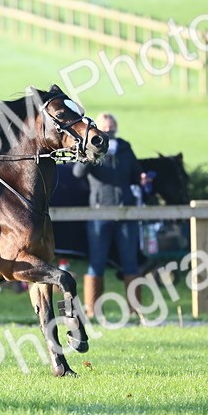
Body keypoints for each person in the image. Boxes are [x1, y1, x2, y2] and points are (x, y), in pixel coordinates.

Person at [73, 112, 143, 317]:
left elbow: (135, 174)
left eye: (112, 127)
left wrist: (142, 177)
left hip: (125, 212)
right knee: (97, 262)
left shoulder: (125, 148)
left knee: (131, 262)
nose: (109, 130)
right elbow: (78, 173)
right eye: (106, 128)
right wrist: (90, 153)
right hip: (99, 213)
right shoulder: (91, 148)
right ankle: (93, 310)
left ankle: (135, 310)